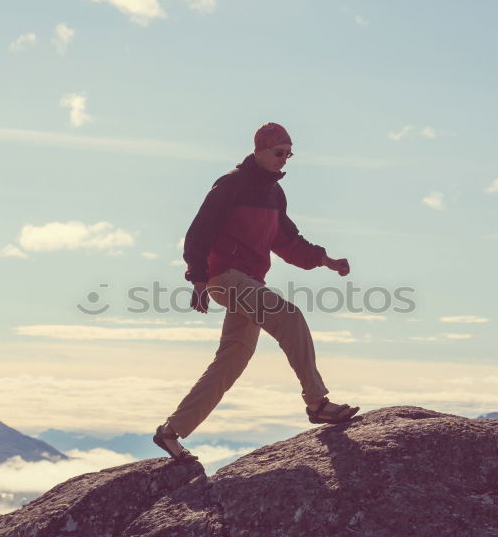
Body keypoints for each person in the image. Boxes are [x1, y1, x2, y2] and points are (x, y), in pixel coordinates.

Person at [153, 123, 360, 462]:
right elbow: (199, 232)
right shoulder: (231, 185)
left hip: (250, 283)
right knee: (289, 316)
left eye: (289, 154)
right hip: (227, 278)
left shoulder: (273, 195)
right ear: (260, 149)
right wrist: (199, 280)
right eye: (279, 152)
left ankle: (171, 432)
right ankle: (317, 403)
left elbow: (288, 241)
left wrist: (325, 260)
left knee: (232, 359)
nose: (284, 159)